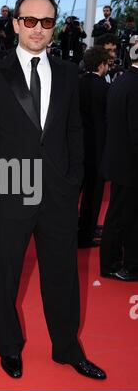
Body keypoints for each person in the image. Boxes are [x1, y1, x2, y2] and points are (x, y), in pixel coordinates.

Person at [0, 0, 106, 380]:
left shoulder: (67, 72)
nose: (38, 29)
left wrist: (74, 178)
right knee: (7, 273)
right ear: (15, 24)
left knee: (62, 274)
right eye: (30, 20)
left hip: (59, 194)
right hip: (12, 189)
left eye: (46, 22)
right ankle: (8, 347)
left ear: (54, 26)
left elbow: (74, 131)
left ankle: (67, 349)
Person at [99, 40, 138, 282]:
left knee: (119, 215)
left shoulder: (122, 80)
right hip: (130, 164)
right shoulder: (135, 85)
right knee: (125, 217)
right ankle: (118, 265)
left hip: (119, 160)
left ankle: (116, 263)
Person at [78, 47, 110, 248]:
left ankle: (78, 228)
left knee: (76, 192)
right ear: (101, 65)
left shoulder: (77, 85)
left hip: (78, 147)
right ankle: (86, 232)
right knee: (94, 193)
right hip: (98, 148)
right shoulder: (106, 89)